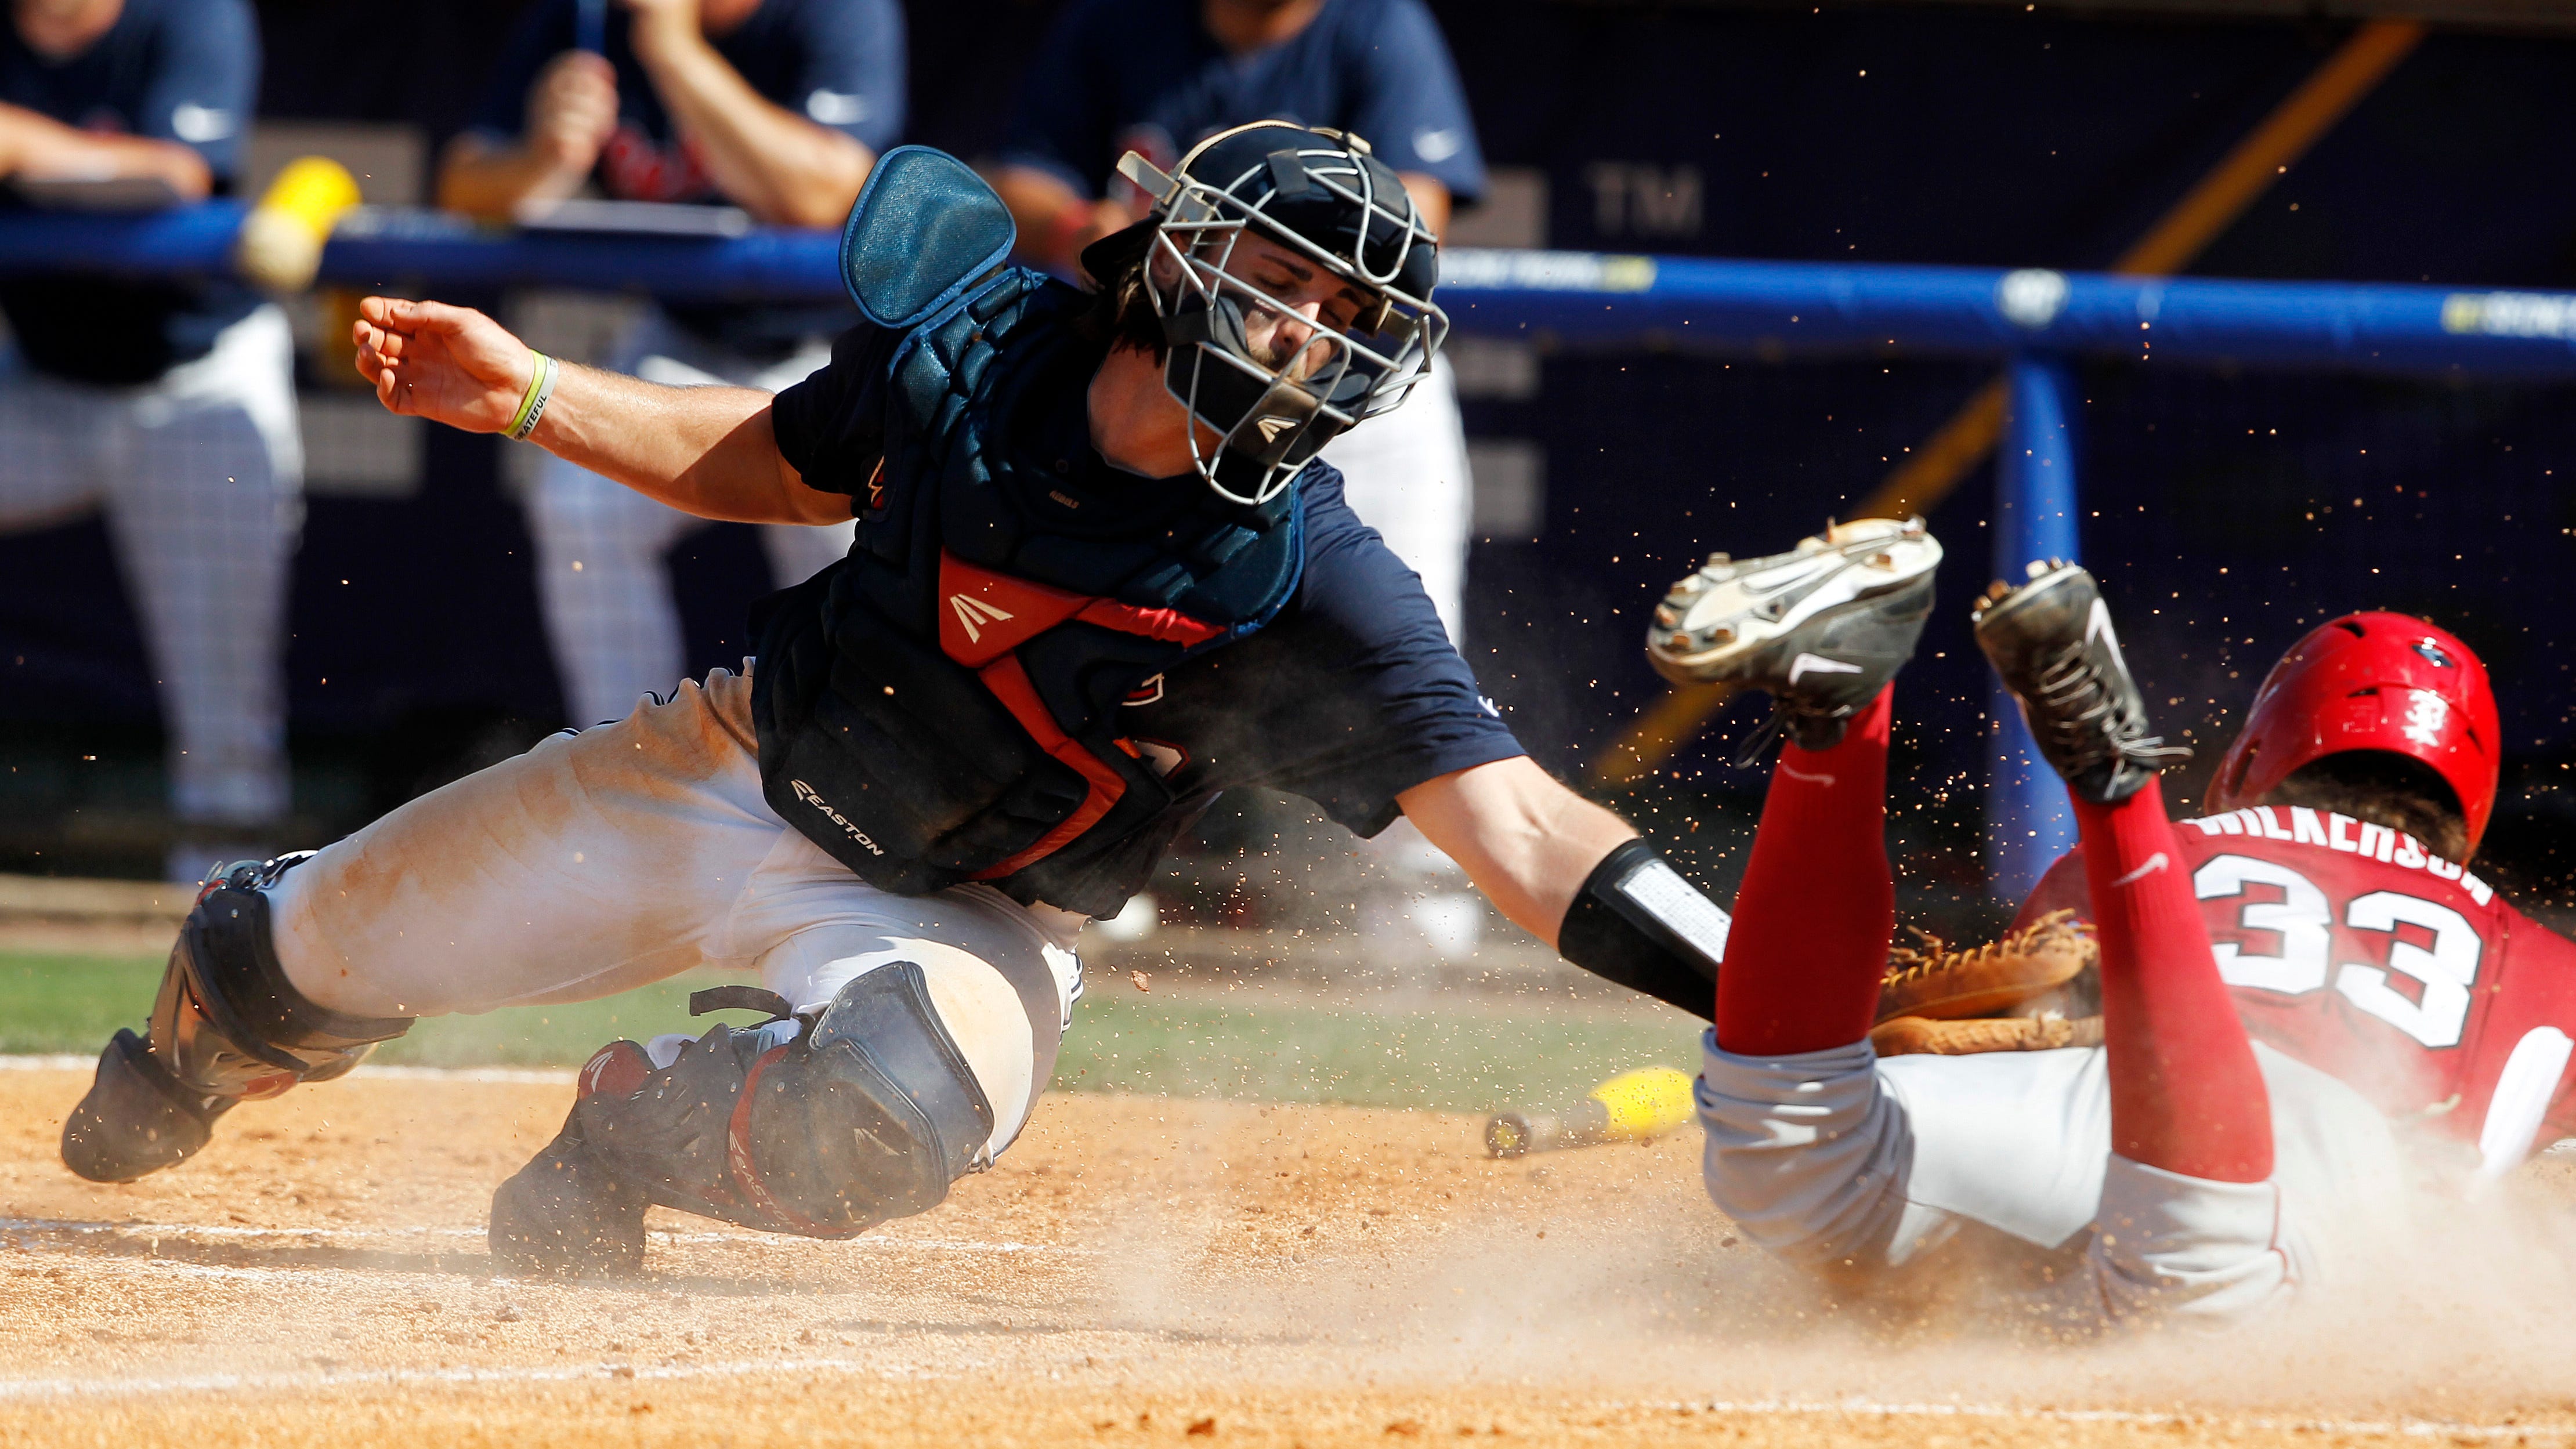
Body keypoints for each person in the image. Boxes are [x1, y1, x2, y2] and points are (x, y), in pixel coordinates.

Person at [59, 128, 1736, 1280]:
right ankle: (196, 1053)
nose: (1307, 335)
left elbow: (1519, 824)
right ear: (1181, 252)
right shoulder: (980, 349)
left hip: (969, 915)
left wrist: (1767, 989)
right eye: (1286, 280)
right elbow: (777, 463)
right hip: (728, 772)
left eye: (1343, 318)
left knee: (882, 1119)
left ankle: (623, 1135)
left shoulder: (1304, 568)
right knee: (273, 968)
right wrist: (538, 395)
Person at [1657, 524, 2574, 1326]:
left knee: (1791, 1155)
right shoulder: (2537, 959)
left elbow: (2032, 1025)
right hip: (2288, 1173)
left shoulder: (2195, 847)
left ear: (2253, 756)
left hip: (2104, 1080)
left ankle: (1841, 709)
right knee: (2194, 1295)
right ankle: (2108, 782)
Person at [996, 0, 1492, 957]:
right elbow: (1019, 178)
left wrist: (1264, 226)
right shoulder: (1113, 25)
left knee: (1413, 650)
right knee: (1100, 632)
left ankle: (1424, 932)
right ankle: (1066, 884)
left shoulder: (1375, 23)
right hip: (1175, 379)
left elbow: (1417, 224)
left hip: (1338, 389)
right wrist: (1090, 222)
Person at [437, 0, 903, 726]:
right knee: (581, 504)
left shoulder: (834, 13)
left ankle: (852, 795)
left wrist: (675, 51)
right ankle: (631, 774)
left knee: (858, 574)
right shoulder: (589, 17)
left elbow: (826, 193)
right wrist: (541, 159)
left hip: (841, 356)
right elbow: (463, 183)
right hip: (685, 341)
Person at [0, 0, 298, 879]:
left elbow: (177, 175)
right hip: (45, 385)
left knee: (225, 726)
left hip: (195, 384)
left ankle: (230, 954)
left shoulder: (191, 14)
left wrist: (20, 144)